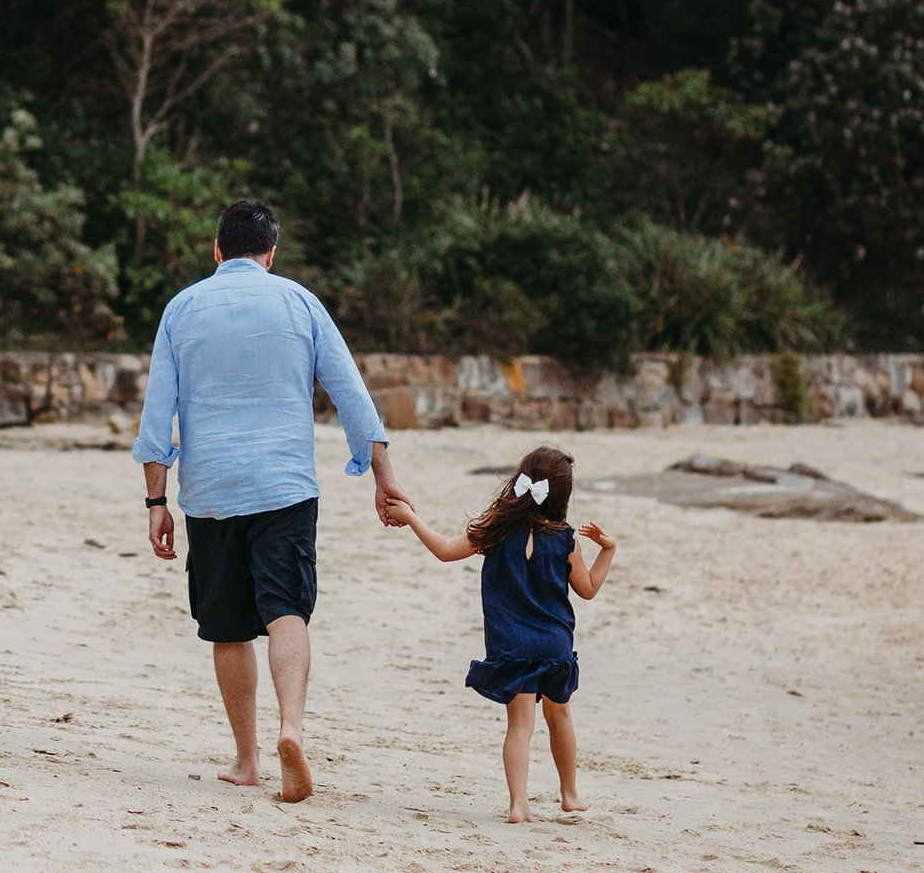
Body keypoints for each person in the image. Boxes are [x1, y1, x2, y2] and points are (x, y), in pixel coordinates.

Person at [132, 198, 410, 803]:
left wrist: (156, 499)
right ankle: (292, 728)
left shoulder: (182, 309)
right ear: (271, 253)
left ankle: (247, 760)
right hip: (284, 487)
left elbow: (158, 416)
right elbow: (351, 394)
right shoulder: (298, 302)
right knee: (287, 610)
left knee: (228, 628)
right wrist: (382, 475)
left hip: (209, 493)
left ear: (217, 250)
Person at [388, 445, 617, 822]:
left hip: (511, 642)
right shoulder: (565, 540)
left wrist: (412, 518)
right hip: (554, 642)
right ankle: (570, 794)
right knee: (559, 717)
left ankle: (518, 804)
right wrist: (608, 549)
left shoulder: (495, 531)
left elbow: (445, 551)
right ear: (562, 495)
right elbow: (588, 589)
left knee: (520, 724)